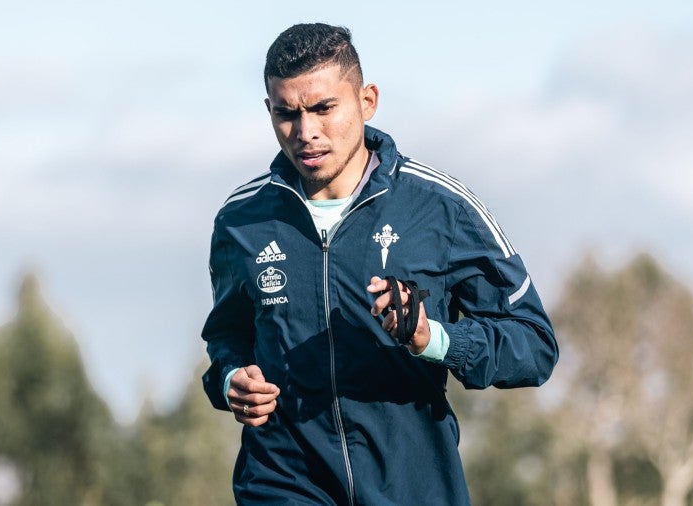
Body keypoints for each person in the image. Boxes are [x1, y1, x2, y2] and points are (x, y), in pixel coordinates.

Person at [201, 22, 558, 505]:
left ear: (366, 100)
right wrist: (230, 381)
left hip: (411, 488)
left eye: (325, 108)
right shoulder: (242, 220)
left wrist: (432, 338)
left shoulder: (440, 208)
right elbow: (227, 339)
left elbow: (534, 347)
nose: (307, 132)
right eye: (287, 114)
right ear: (269, 110)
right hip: (281, 484)